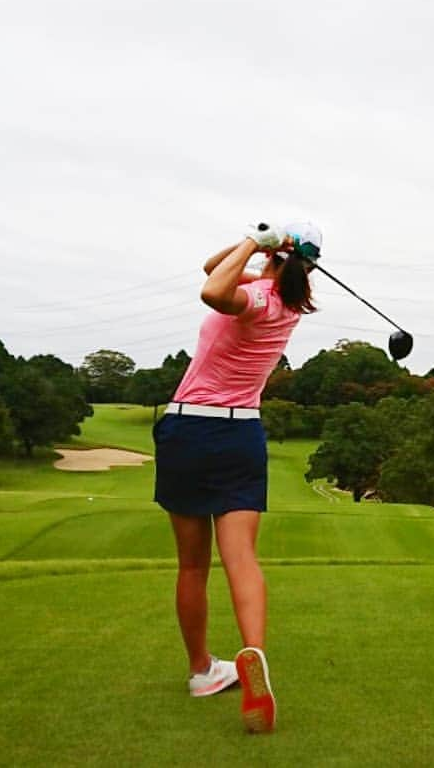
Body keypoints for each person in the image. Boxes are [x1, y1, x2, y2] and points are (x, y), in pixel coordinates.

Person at [152, 220, 321, 733]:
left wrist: (253, 237)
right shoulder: (287, 302)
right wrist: (261, 248)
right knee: (242, 558)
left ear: (275, 257)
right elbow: (213, 268)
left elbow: (210, 288)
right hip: (240, 437)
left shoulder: (259, 300)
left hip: (188, 431)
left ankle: (203, 670)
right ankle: (254, 656)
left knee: (192, 566)